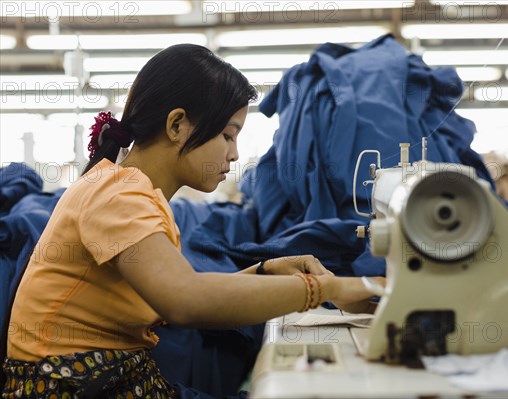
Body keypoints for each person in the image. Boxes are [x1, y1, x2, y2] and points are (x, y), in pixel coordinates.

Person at [1, 44, 380, 398]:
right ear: (177, 125)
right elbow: (185, 301)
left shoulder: (135, 193)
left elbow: (181, 291)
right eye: (228, 135)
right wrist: (327, 289)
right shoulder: (118, 195)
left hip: (101, 379)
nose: (234, 155)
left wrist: (265, 271)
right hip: (70, 386)